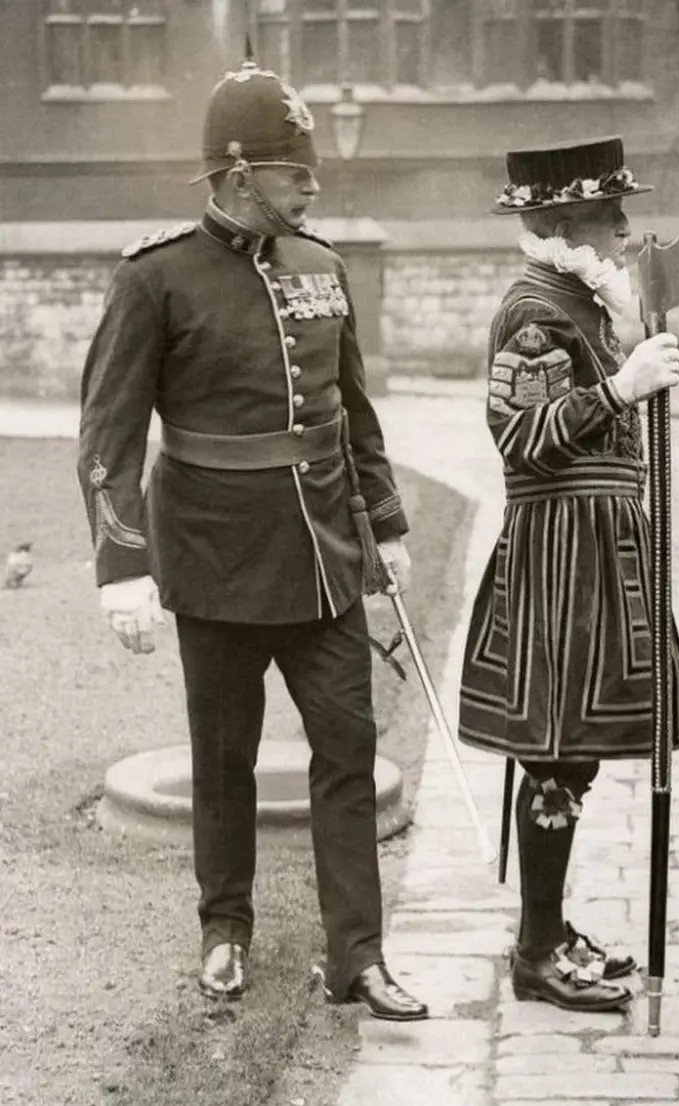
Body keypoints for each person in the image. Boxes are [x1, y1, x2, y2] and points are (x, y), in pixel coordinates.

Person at [77, 49, 428, 1022]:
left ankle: (356, 953)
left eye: (313, 170)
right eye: (295, 173)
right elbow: (107, 434)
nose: (313, 186)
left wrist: (387, 525)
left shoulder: (323, 267)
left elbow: (352, 416)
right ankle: (224, 929)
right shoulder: (157, 278)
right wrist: (122, 567)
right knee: (222, 760)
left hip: (323, 560)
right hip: (215, 560)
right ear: (237, 173)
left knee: (347, 748)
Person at [458, 138, 679, 1013]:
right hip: (560, 552)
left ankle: (549, 931)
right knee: (555, 747)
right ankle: (534, 950)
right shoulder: (535, 308)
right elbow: (519, 433)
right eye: (612, 214)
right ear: (563, 224)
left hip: (596, 548)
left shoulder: (583, 300)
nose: (628, 229)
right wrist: (622, 390)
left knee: (576, 752)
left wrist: (635, 374)